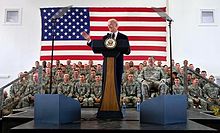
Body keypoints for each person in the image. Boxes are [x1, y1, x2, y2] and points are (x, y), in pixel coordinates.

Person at [81, 18, 130, 100]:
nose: (109, 26)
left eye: (111, 24)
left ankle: (116, 105)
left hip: (117, 65)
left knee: (117, 84)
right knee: (106, 84)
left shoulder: (123, 37)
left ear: (116, 25)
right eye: (108, 24)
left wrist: (120, 48)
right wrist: (89, 40)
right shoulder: (105, 37)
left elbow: (128, 51)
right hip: (107, 66)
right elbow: (97, 47)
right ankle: (105, 104)